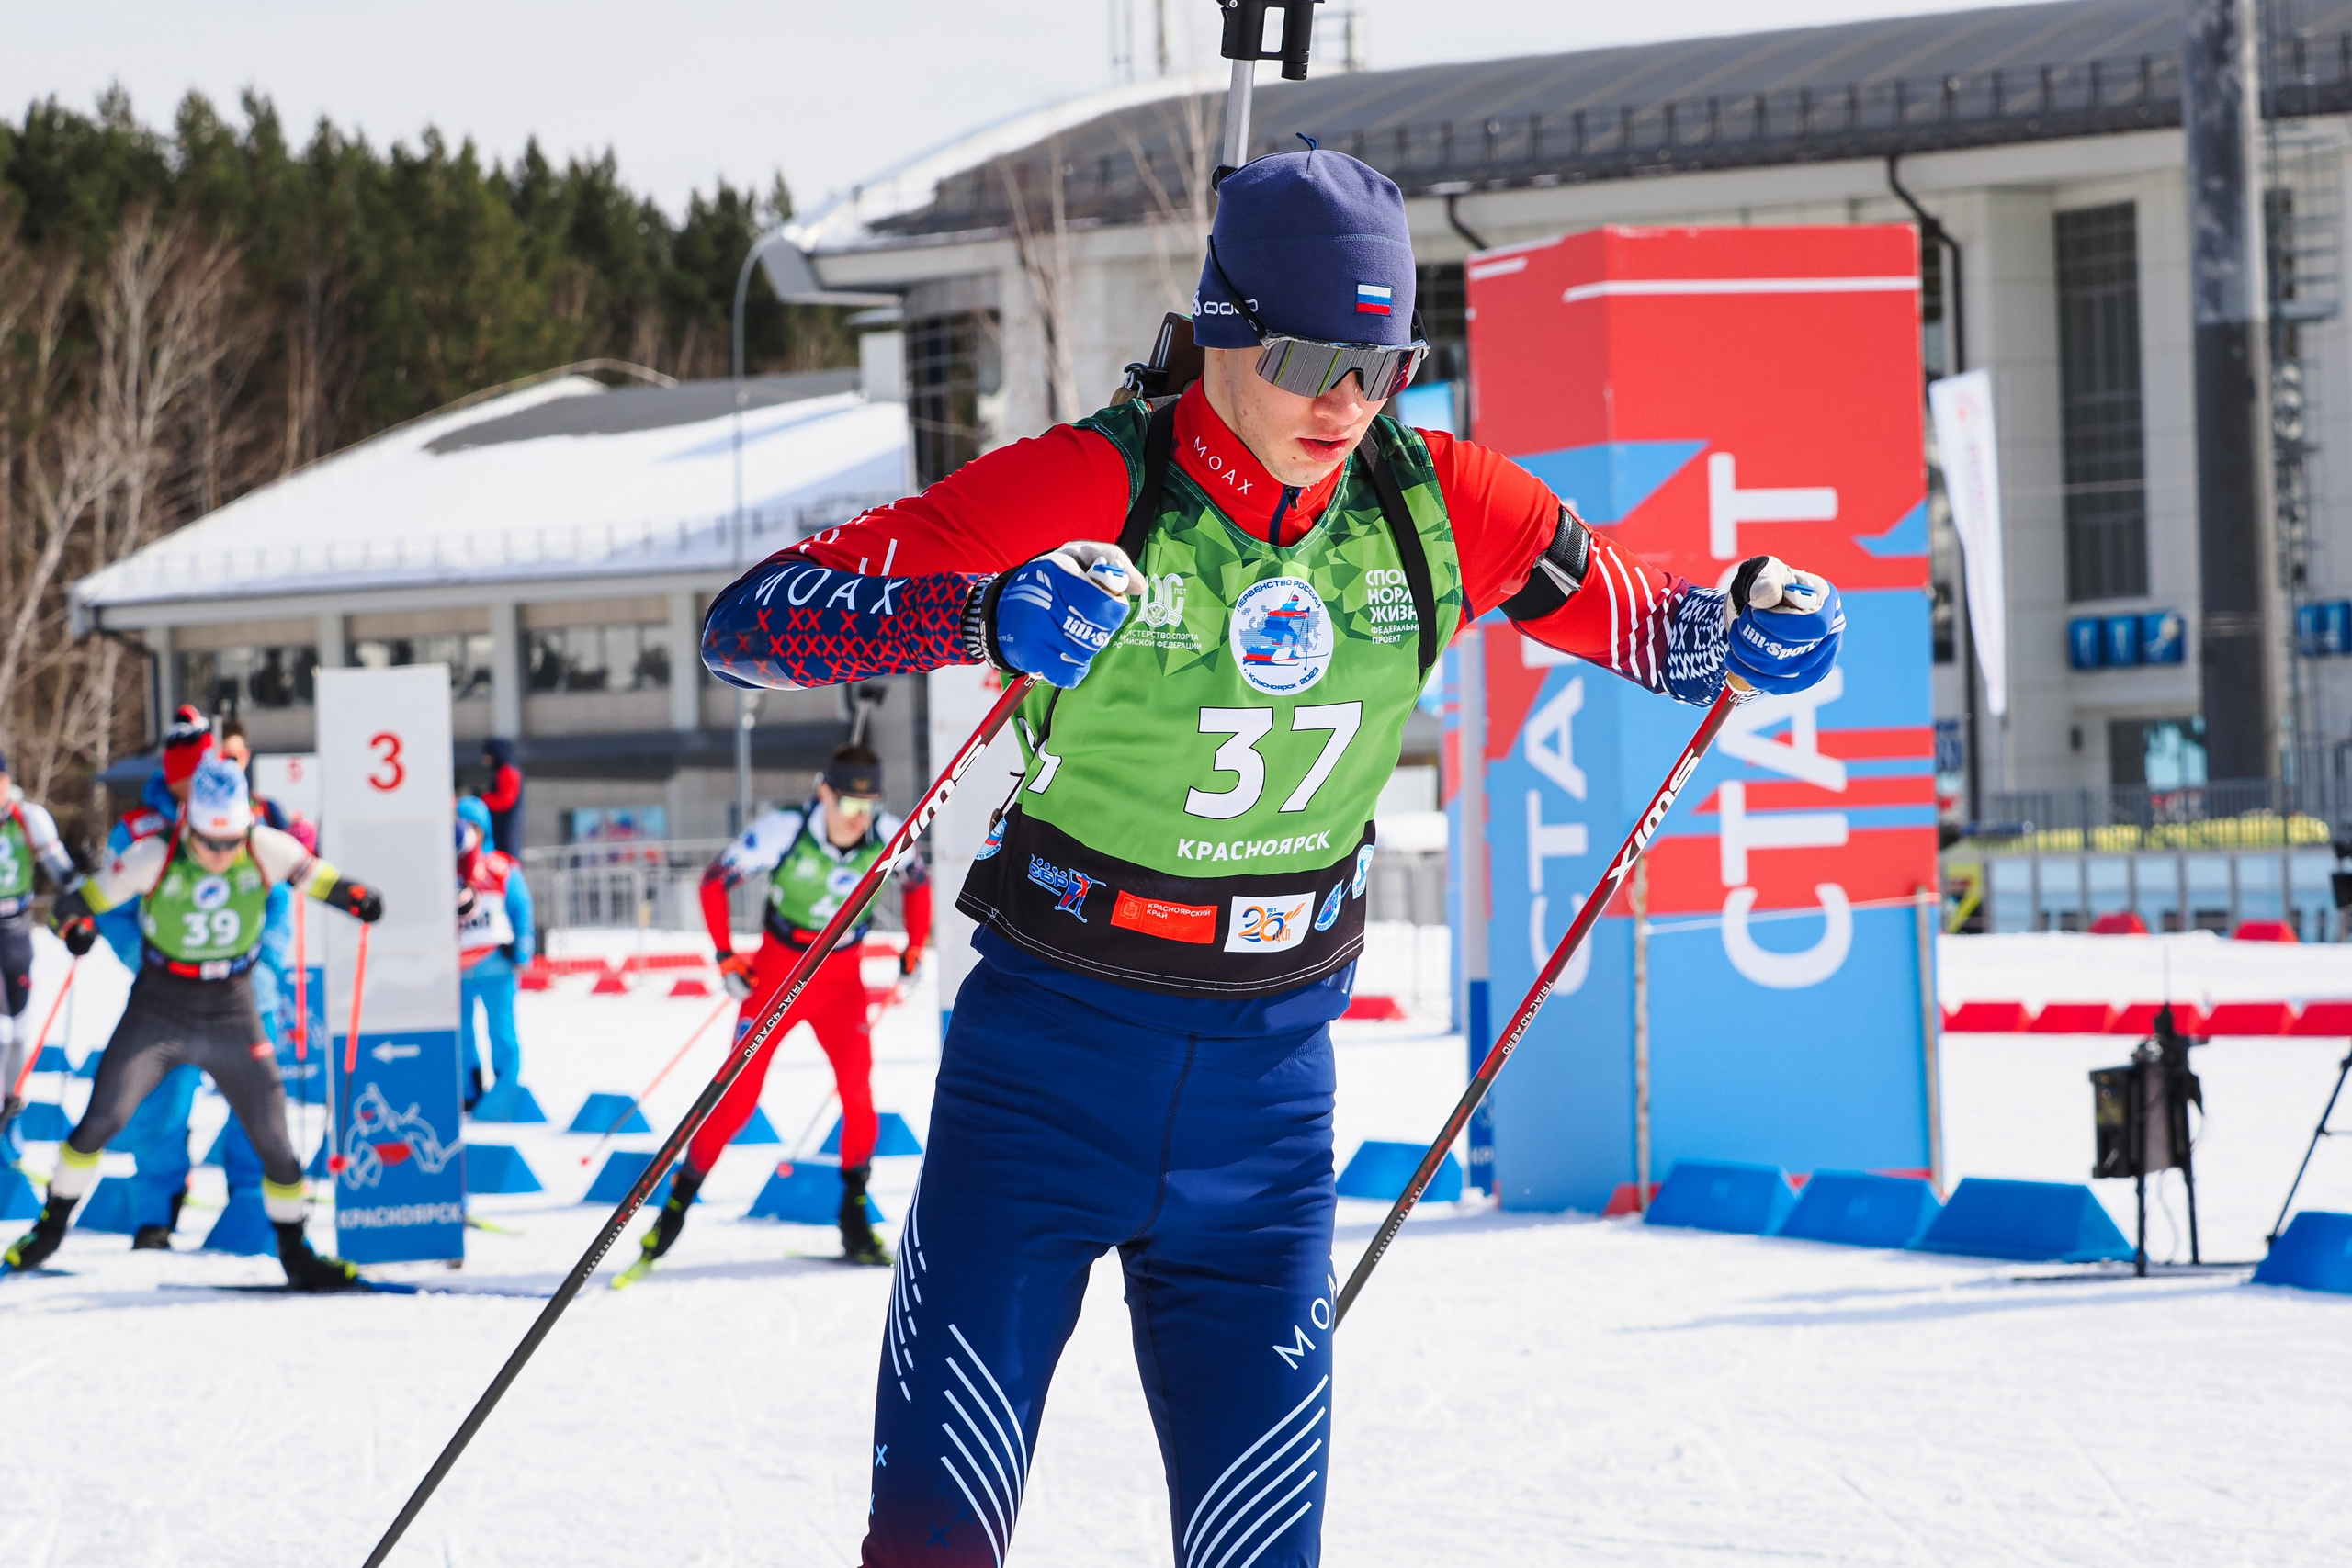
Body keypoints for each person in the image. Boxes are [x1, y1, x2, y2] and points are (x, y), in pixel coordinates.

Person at [698, 149, 1844, 1566]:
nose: (1346, 403)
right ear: (1225, 325)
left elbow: (1665, 628)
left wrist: (1754, 617)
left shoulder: (1440, 506)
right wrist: (983, 612)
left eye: (1382, 361)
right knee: (933, 1542)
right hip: (1046, 1077)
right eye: (1310, 356)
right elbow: (753, 620)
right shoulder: (1092, 482)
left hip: (1268, 1108)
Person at [5, 758, 386, 1287]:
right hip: (160, 1005)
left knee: (274, 1140)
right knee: (103, 1120)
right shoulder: (153, 856)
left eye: (232, 843)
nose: (221, 855)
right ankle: (48, 1231)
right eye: (210, 843)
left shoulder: (264, 846)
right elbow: (74, 904)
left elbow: (326, 882)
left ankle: (297, 1254)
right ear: (188, 825)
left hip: (233, 1007)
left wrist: (359, 899)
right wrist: (75, 930)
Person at [625, 743, 929, 1277]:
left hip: (841, 980)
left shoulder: (888, 832)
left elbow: (918, 884)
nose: (858, 821)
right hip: (778, 973)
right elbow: (714, 880)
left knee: (860, 1095)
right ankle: (674, 1209)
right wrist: (724, 956)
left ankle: (854, 1218)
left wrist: (914, 948)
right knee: (736, 1099)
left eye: (869, 809)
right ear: (824, 794)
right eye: (848, 807)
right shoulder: (784, 829)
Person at [93, 706, 223, 1248]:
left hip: (236, 990)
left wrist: (270, 961)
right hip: (164, 993)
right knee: (157, 1109)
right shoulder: (138, 831)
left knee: (259, 1110)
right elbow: (109, 907)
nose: (193, 786)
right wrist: (143, 960)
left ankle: (258, 1210)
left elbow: (277, 895)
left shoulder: (242, 820)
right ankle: (155, 1214)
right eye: (186, 774)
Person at [0, 748, 82, 1160]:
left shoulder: (27, 818)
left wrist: (84, 909)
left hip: (15, 928)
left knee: (18, 1031)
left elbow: (64, 873)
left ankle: (11, 1108)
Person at [455, 795, 535, 1111]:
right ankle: (467, 1091)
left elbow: (521, 909)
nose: (467, 833)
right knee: (461, 1036)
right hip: (457, 970)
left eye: (473, 826)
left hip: (496, 964)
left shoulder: (500, 867)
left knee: (501, 1031)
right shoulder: (446, 870)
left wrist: (522, 952)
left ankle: (506, 1089)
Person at [478, 738, 524, 856]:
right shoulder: (500, 771)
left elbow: (505, 801)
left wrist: (484, 798)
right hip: (499, 827)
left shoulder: (508, 771)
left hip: (506, 828)